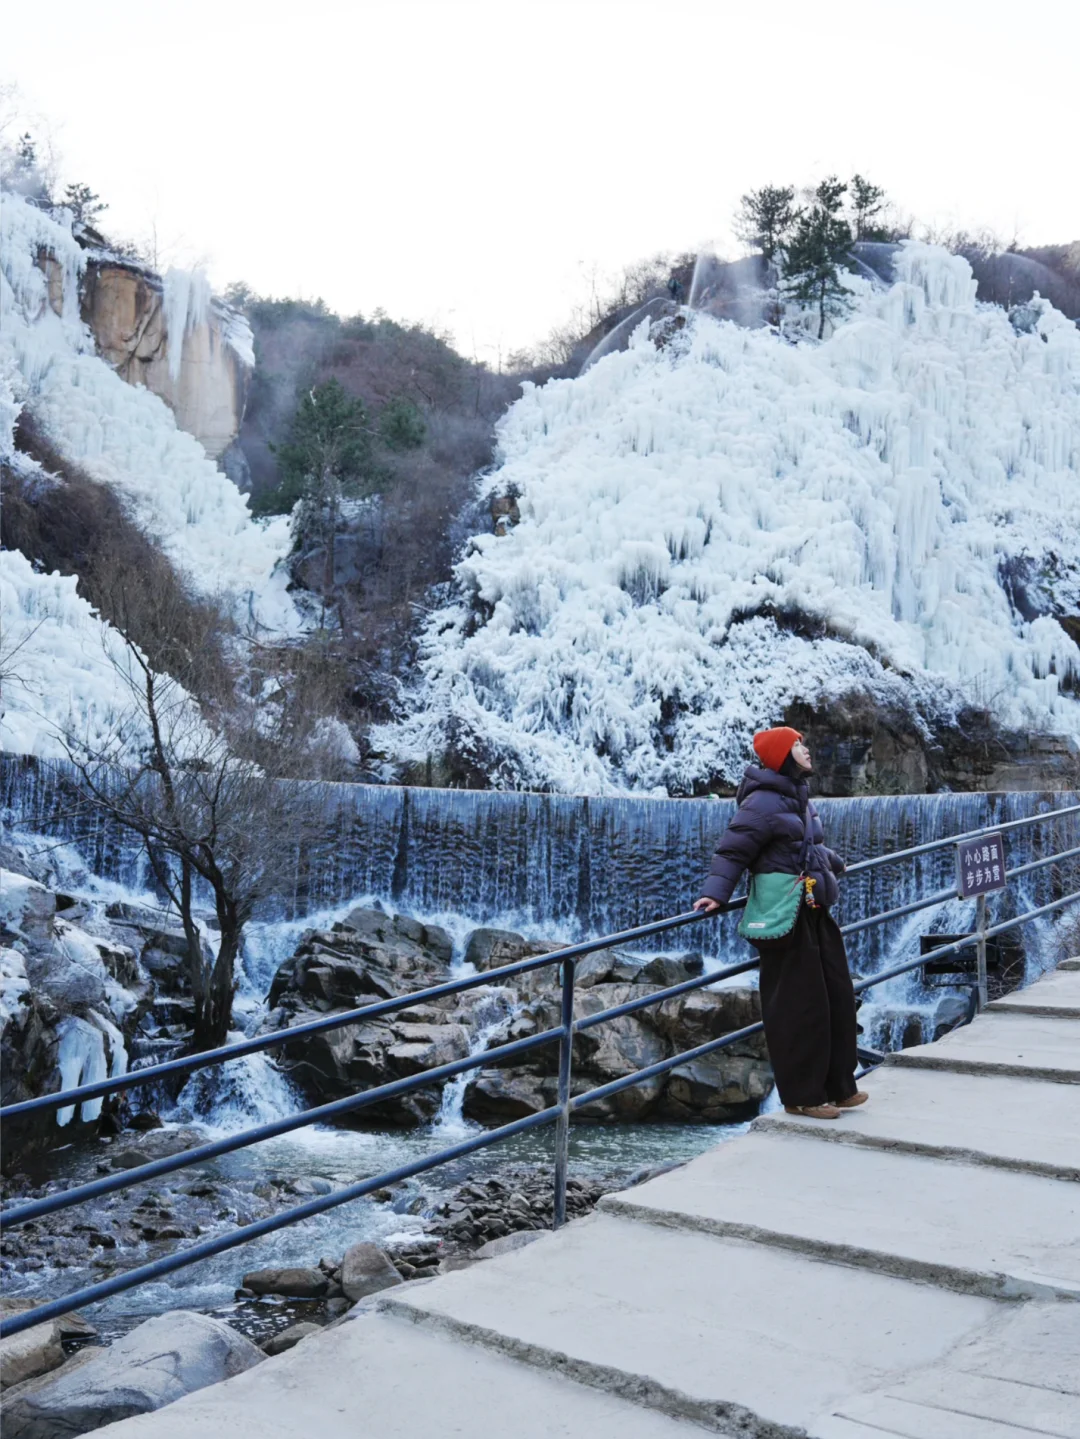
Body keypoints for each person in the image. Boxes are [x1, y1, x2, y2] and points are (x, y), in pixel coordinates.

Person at [693, 726, 866, 1120]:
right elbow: (733, 850)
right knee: (801, 1006)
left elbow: (808, 846)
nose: (806, 750)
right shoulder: (763, 802)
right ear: (783, 756)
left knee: (836, 995)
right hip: (784, 915)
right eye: (798, 745)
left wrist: (835, 865)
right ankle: (802, 1096)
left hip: (812, 907)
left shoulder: (796, 796)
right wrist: (717, 893)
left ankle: (839, 1086)